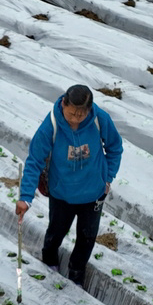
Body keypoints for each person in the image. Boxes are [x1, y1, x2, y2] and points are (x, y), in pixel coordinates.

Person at [16, 85, 124, 290]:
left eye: (81, 115)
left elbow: (115, 148)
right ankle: (49, 262)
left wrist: (107, 178)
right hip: (62, 193)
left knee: (87, 237)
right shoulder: (52, 125)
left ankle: (76, 273)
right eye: (72, 113)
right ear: (64, 103)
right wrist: (25, 196)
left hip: (93, 193)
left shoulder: (99, 119)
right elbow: (35, 161)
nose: (75, 119)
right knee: (56, 231)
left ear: (90, 110)